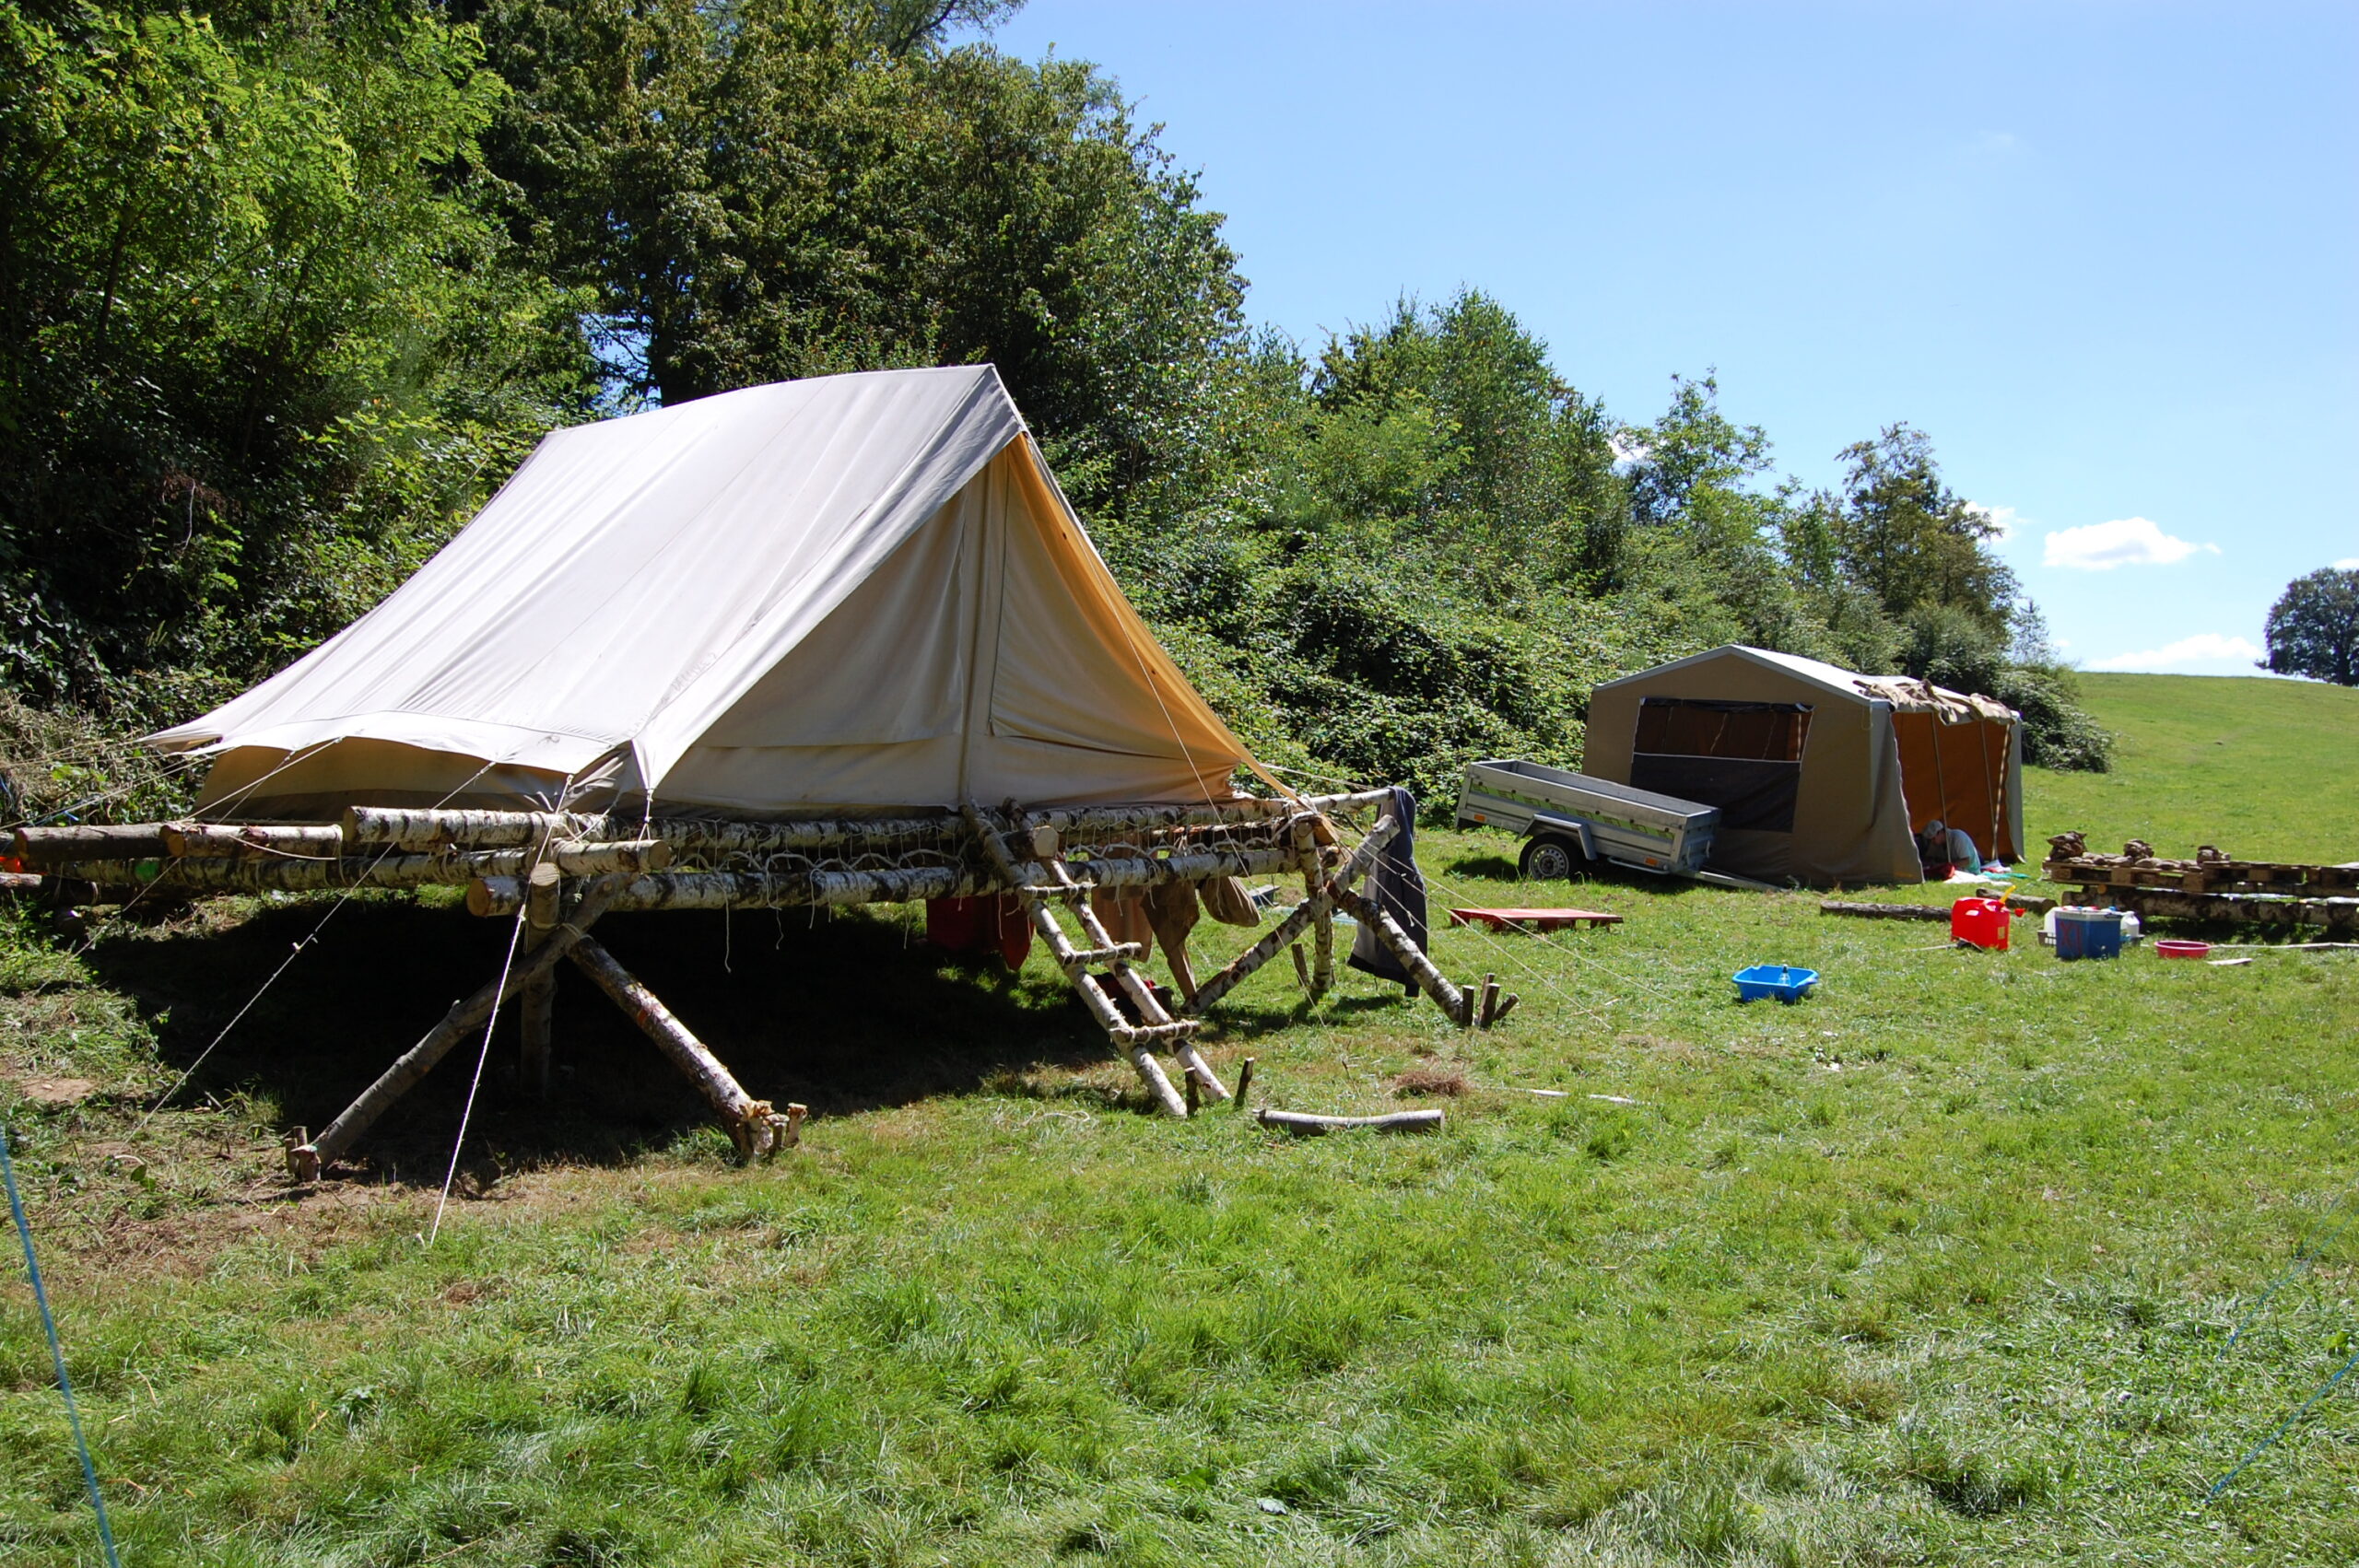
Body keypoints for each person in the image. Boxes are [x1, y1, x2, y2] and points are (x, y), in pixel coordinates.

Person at [1918, 818, 1982, 874]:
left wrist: (1945, 865)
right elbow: (1930, 858)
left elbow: (1966, 861)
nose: (1932, 842)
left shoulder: (1958, 837)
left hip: (1970, 871)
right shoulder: (1936, 843)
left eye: (1933, 839)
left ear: (1940, 832)